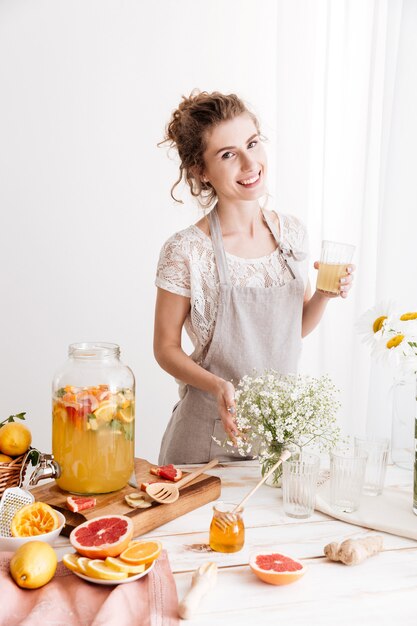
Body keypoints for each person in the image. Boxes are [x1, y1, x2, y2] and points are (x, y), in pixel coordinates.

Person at [154, 91, 354, 464]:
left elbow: (289, 330)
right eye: (228, 154)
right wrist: (217, 386)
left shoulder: (291, 233)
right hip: (205, 441)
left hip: (277, 442)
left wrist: (324, 296)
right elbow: (164, 349)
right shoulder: (186, 251)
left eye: (252, 144)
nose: (250, 163)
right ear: (201, 170)